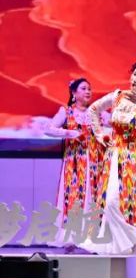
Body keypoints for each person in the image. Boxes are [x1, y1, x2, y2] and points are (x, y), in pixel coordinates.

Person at [82, 56, 136, 255]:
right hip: (114, 156)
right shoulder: (117, 96)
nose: (135, 80)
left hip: (134, 159)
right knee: (109, 202)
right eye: (134, 75)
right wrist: (99, 134)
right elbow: (93, 109)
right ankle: (130, 245)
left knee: (127, 203)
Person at [43, 78, 106, 245]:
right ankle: (71, 237)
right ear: (74, 93)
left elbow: (114, 125)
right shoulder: (66, 111)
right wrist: (70, 133)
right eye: (83, 88)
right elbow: (48, 129)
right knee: (73, 198)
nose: (88, 92)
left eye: (89, 89)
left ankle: (91, 237)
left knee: (94, 199)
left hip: (95, 164)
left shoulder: (97, 112)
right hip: (74, 163)